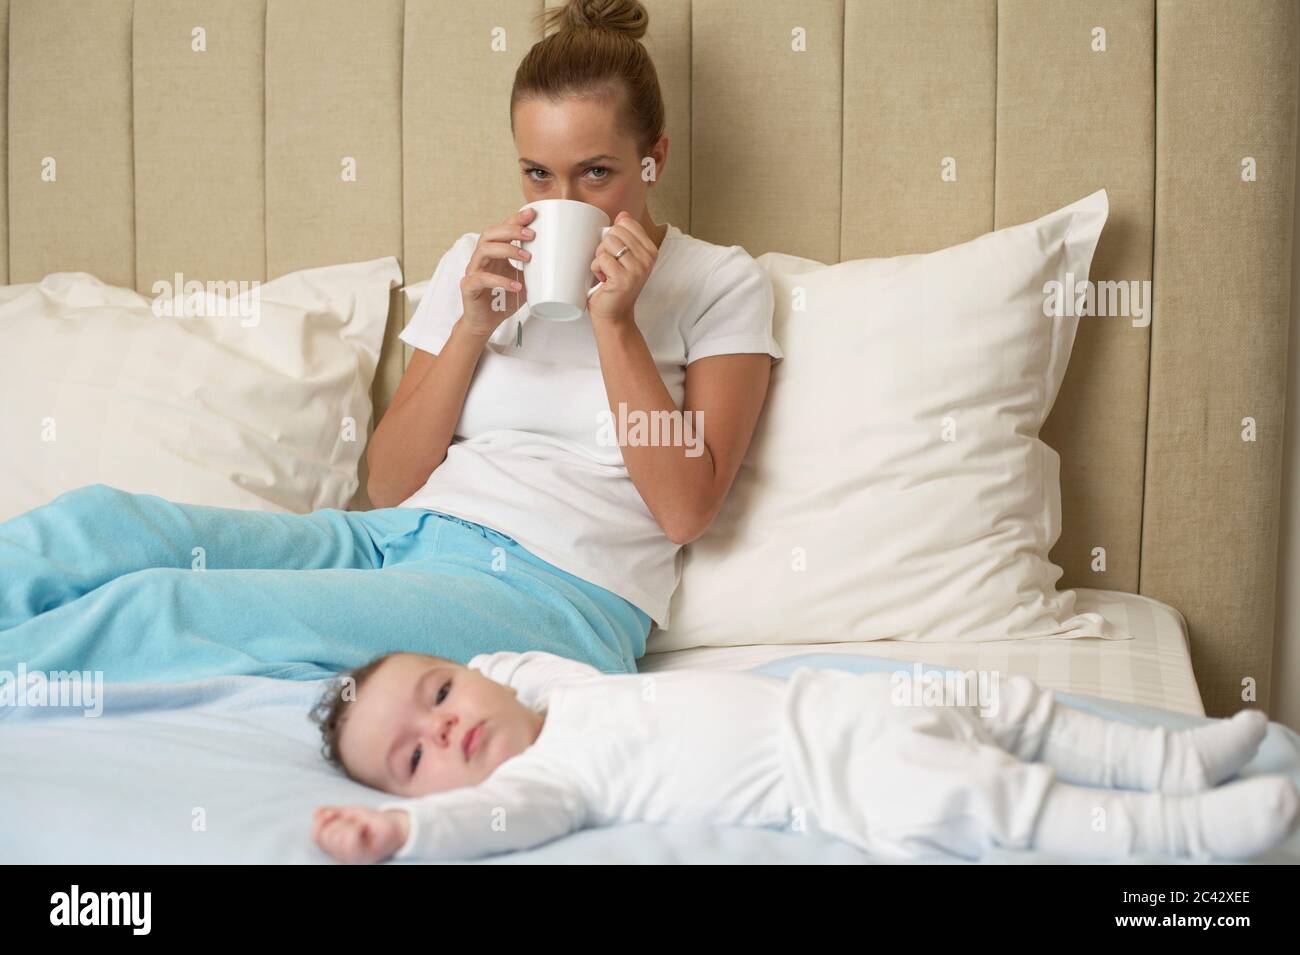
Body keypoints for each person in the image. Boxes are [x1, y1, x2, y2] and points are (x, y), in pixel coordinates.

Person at [0, 0, 779, 683]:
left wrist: (615, 325)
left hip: (555, 595)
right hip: (398, 539)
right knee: (103, 525)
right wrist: (473, 325)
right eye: (538, 174)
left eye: (597, 173)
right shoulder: (477, 268)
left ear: (655, 159)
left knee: (171, 602)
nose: (561, 202)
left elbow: (685, 510)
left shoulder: (719, 283)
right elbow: (391, 483)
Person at [308, 650, 1298, 864]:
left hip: (849, 701)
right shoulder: (539, 780)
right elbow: (490, 820)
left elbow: (507, 662)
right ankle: (1176, 835)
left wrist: (483, 676)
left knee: (998, 696)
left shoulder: (555, 692)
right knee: (994, 793)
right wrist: (401, 829)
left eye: (437, 694)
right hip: (844, 780)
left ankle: (1160, 763)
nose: (442, 728)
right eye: (411, 756)